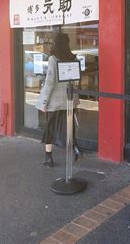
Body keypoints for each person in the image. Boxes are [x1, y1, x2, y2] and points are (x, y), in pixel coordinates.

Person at [36, 33, 82, 167]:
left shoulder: (53, 59)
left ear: (55, 43)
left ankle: (48, 157)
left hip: (55, 102)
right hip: (70, 100)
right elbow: (76, 80)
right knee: (70, 127)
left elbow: (50, 82)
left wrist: (44, 102)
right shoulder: (73, 58)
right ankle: (75, 149)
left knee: (50, 128)